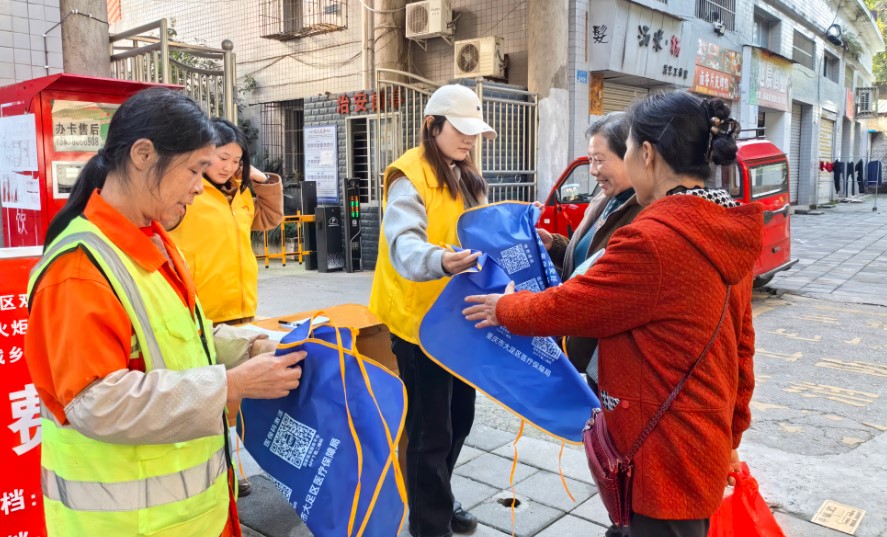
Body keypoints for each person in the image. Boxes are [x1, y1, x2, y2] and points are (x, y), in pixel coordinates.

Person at [464, 91, 760, 537]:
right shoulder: (724, 225)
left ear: (647, 154)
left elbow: (574, 305)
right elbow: (742, 348)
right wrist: (730, 436)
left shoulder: (654, 239)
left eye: (625, 149)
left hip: (662, 456)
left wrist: (503, 307)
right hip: (703, 439)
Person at [24, 88, 304, 537]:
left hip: (191, 517)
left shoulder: (152, 240)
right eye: (194, 169)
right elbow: (97, 403)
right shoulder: (79, 270)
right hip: (126, 525)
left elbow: (186, 335)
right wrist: (232, 385)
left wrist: (250, 348)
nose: (199, 185)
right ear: (142, 154)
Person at [368, 84, 496, 537]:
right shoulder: (409, 176)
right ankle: (429, 524)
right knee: (428, 432)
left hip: (458, 321)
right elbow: (404, 244)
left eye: (474, 132)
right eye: (460, 130)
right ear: (431, 125)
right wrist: (440, 260)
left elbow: (483, 232)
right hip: (417, 324)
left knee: (460, 418)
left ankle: (438, 494)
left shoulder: (468, 176)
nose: (469, 140)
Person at [537, 112, 643, 391]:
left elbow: (607, 285)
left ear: (632, 156)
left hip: (610, 356)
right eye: (590, 160)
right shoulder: (605, 199)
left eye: (600, 160)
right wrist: (555, 245)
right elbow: (589, 257)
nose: (593, 170)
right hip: (585, 341)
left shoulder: (643, 213)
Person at [169, 117, 283, 325]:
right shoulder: (185, 193)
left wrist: (264, 181)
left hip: (243, 308)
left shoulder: (239, 192)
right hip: (200, 314)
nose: (228, 167)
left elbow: (270, 217)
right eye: (223, 158)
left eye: (236, 161)